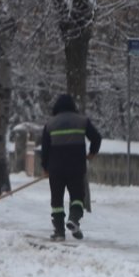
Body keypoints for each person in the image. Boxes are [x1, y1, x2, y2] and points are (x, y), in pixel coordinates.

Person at [39, 94, 102, 241]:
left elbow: (45, 149)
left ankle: (59, 231)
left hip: (56, 168)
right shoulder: (82, 121)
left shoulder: (50, 124)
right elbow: (96, 137)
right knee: (77, 197)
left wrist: (45, 167)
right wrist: (92, 153)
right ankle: (74, 219)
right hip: (76, 167)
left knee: (57, 201)